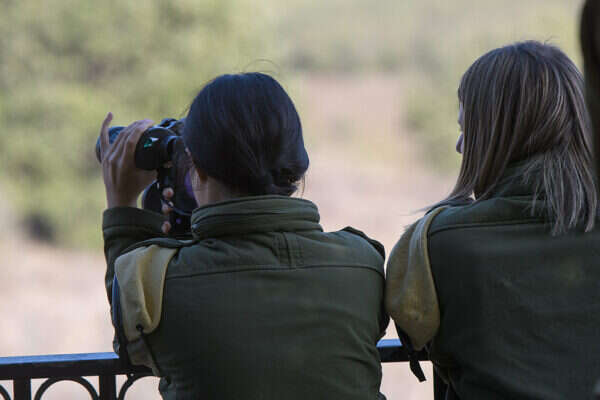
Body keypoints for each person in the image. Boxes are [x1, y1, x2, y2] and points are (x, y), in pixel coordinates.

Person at [99, 72, 388, 400]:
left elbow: (132, 338)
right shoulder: (363, 265)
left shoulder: (158, 284)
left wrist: (122, 208)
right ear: (297, 163)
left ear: (198, 168)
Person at [386, 41, 600, 399]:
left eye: (467, 128)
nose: (459, 145)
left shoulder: (435, 244)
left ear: (499, 135)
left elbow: (413, 328)